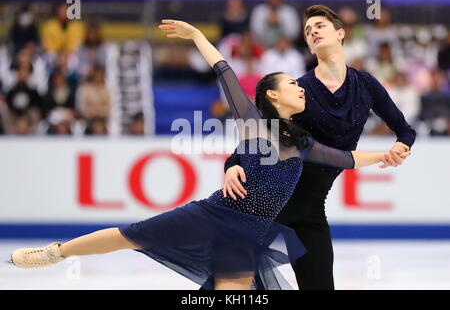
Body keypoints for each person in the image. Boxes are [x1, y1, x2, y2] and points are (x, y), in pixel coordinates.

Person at [10, 20, 409, 290]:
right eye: (291, 83)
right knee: (128, 236)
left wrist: (388, 154)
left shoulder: (302, 143)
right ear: (272, 95)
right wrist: (196, 34)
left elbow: (348, 159)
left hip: (249, 238)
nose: (300, 86)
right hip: (212, 214)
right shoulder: (254, 123)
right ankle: (54, 252)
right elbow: (224, 70)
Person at [220, 5, 416, 290]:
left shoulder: (366, 85)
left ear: (340, 33)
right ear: (309, 45)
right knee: (226, 287)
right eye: (308, 31)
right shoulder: (299, 91)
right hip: (266, 205)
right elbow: (256, 135)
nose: (313, 32)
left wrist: (401, 147)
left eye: (320, 26)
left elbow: (406, 130)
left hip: (310, 213)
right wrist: (232, 165)